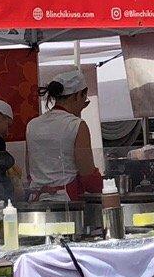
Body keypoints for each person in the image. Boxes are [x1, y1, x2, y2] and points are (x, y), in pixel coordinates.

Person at [24, 71, 103, 200]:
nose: (83, 106)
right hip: (65, 201)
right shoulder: (76, 125)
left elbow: (30, 171)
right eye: (85, 100)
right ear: (77, 95)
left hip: (36, 200)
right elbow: (87, 175)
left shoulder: (32, 125)